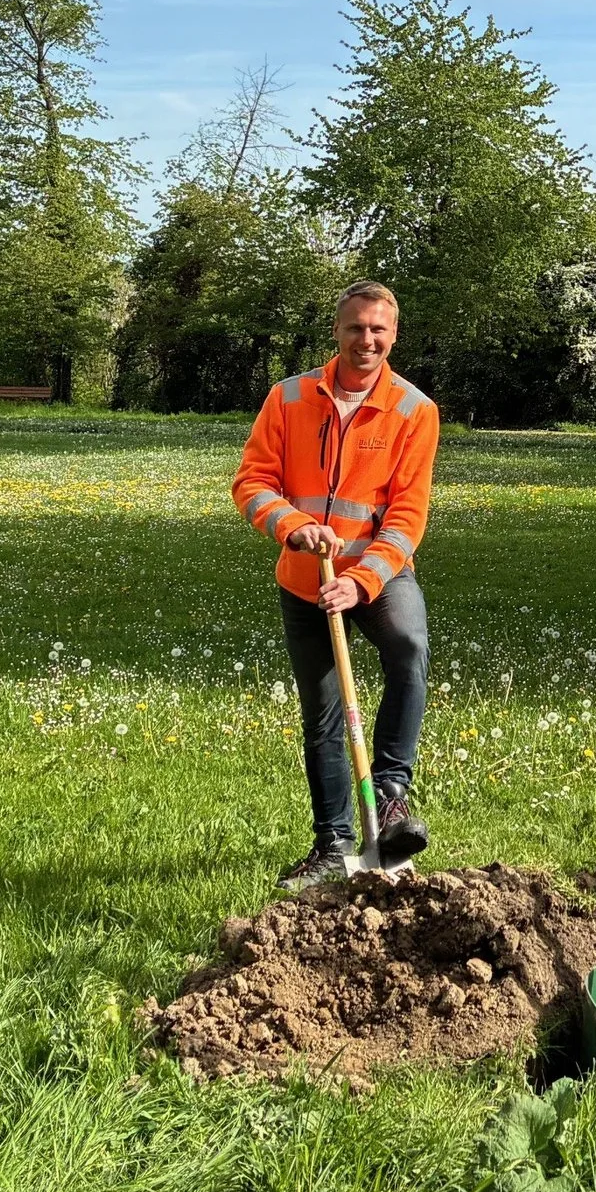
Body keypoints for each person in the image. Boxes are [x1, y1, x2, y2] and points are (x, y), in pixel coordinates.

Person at [232, 281, 441, 890]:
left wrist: (364, 580)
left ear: (393, 335)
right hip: (306, 580)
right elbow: (251, 481)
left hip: (379, 573)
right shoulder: (289, 397)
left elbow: (408, 515)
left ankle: (393, 792)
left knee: (408, 646)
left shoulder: (413, 410)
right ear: (337, 331)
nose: (366, 340)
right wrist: (292, 526)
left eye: (378, 329)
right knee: (322, 711)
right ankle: (333, 845)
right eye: (355, 328)